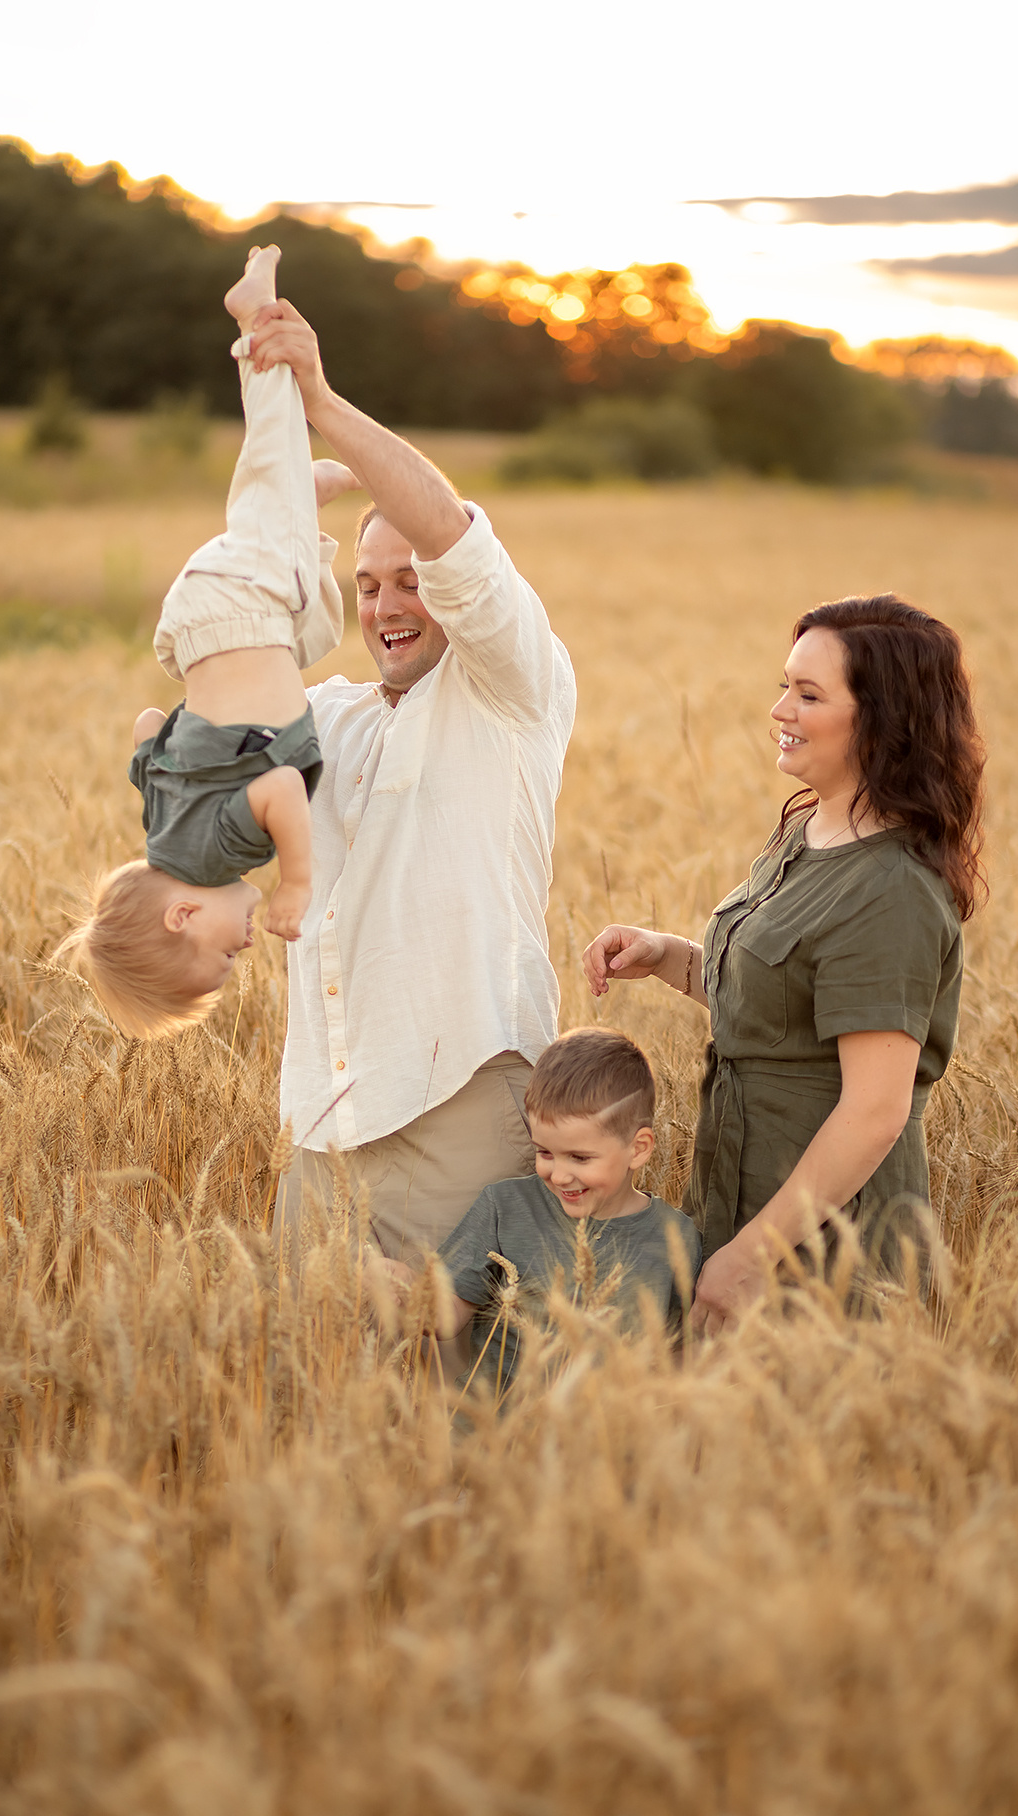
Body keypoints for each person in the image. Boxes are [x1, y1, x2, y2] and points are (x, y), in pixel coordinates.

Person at [239, 292, 577, 1263]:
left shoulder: (512, 684)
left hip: (460, 1107)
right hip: (320, 1119)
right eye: (368, 586)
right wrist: (276, 502)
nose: (388, 605)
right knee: (302, 1389)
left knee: (457, 1395)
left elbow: (452, 539)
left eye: (409, 581)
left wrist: (319, 397)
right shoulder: (328, 718)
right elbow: (222, 663)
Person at [583, 594, 986, 1332]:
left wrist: (750, 1258)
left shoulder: (890, 890)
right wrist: (669, 957)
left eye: (808, 694)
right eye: (784, 686)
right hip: (740, 1201)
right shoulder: (807, 831)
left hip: (824, 1250)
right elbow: (784, 1008)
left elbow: (874, 1111)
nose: (780, 711)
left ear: (882, 719)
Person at [58, 246, 359, 1038]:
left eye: (222, 959)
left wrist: (296, 880)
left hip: (241, 611)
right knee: (317, 618)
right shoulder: (164, 829)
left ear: (183, 914)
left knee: (267, 450)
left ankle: (252, 317)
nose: (241, 953)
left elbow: (281, 793)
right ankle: (304, 495)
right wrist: (189, 743)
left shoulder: (219, 857)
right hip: (200, 629)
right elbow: (147, 730)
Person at [427, 1028, 699, 1394]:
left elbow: (679, 1357)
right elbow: (444, 1317)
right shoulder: (504, 1208)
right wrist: (402, 1294)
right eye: (545, 1152)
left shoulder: (676, 1238)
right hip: (492, 1436)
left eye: (580, 1157)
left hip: (601, 1441)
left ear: (639, 1148)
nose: (558, 1174)